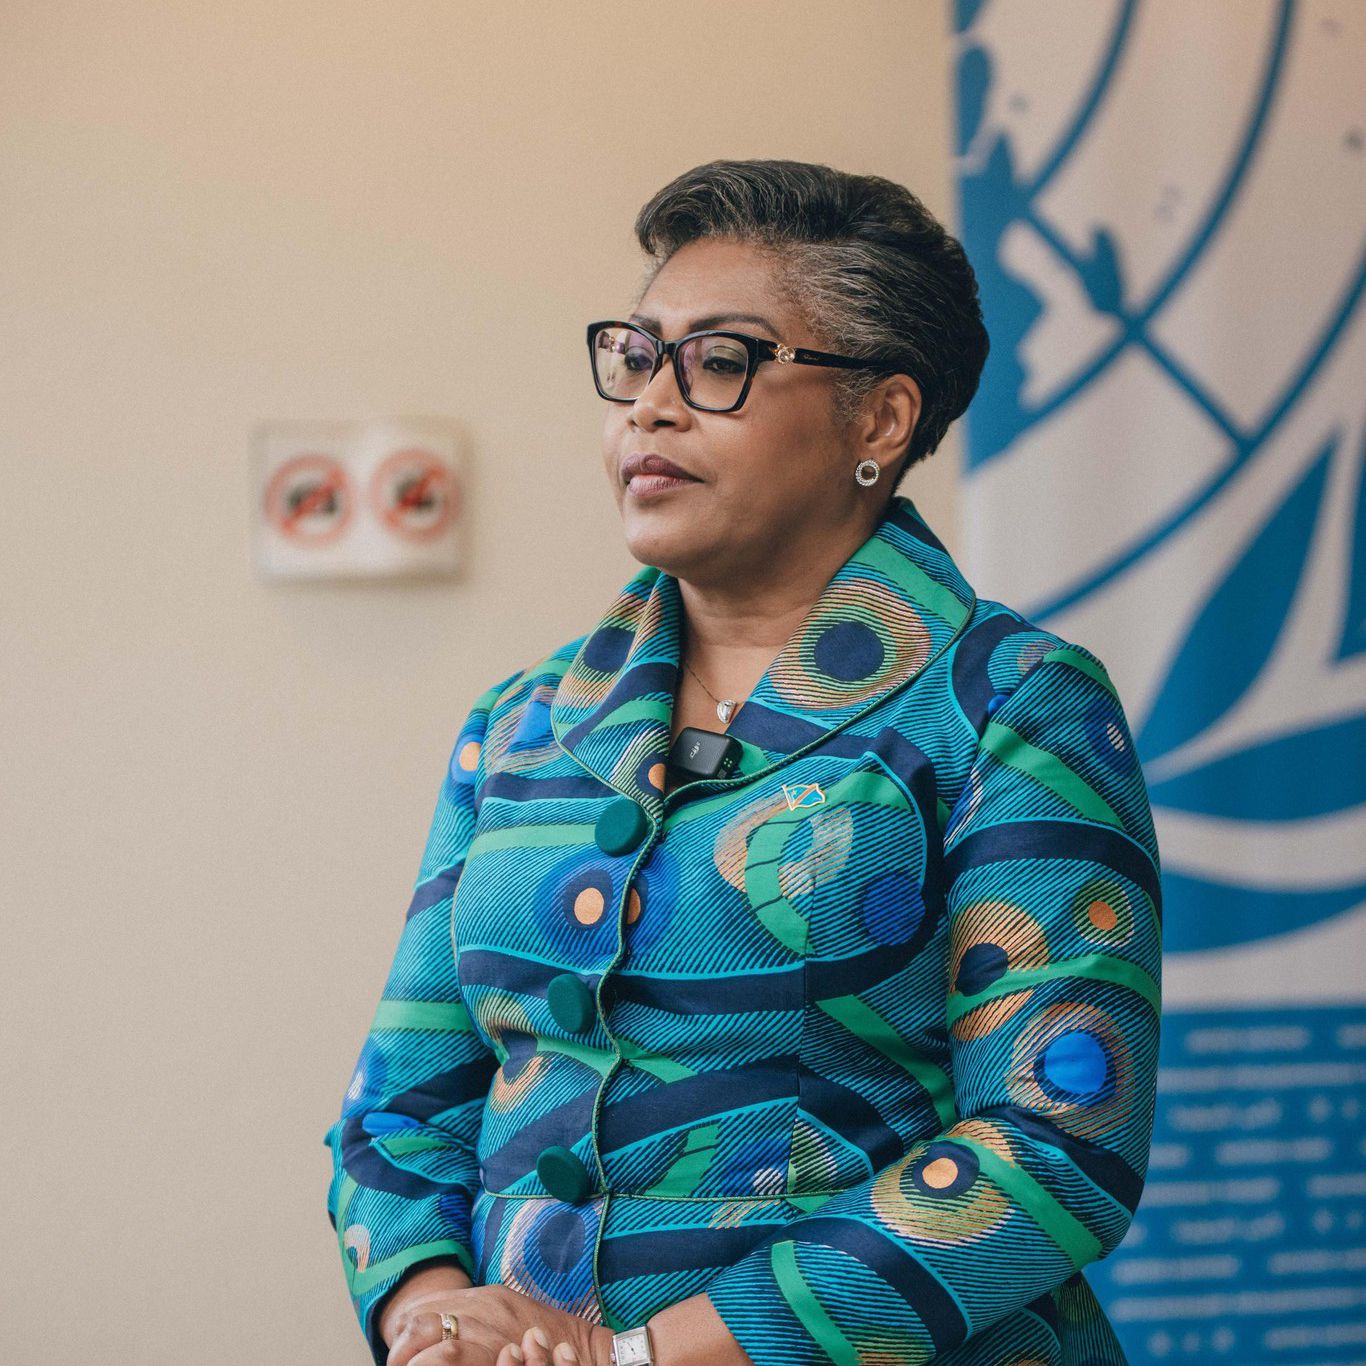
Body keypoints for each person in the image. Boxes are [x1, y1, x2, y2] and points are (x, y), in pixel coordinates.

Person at [324, 158, 1162, 1366]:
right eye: (635, 357)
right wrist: (438, 1316)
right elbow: (399, 1105)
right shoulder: (518, 722)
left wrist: (638, 1354)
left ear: (879, 418)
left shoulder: (1009, 704)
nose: (648, 409)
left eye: (719, 362)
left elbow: (1057, 1139)